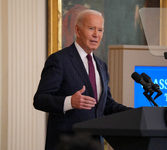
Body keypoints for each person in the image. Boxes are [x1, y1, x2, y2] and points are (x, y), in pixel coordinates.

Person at [33, 9, 132, 150]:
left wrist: (136, 113)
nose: (96, 35)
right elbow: (40, 99)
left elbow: (106, 105)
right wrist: (69, 102)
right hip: (66, 144)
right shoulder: (60, 60)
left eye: (100, 30)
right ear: (78, 31)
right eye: (91, 28)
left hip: (94, 144)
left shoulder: (101, 65)